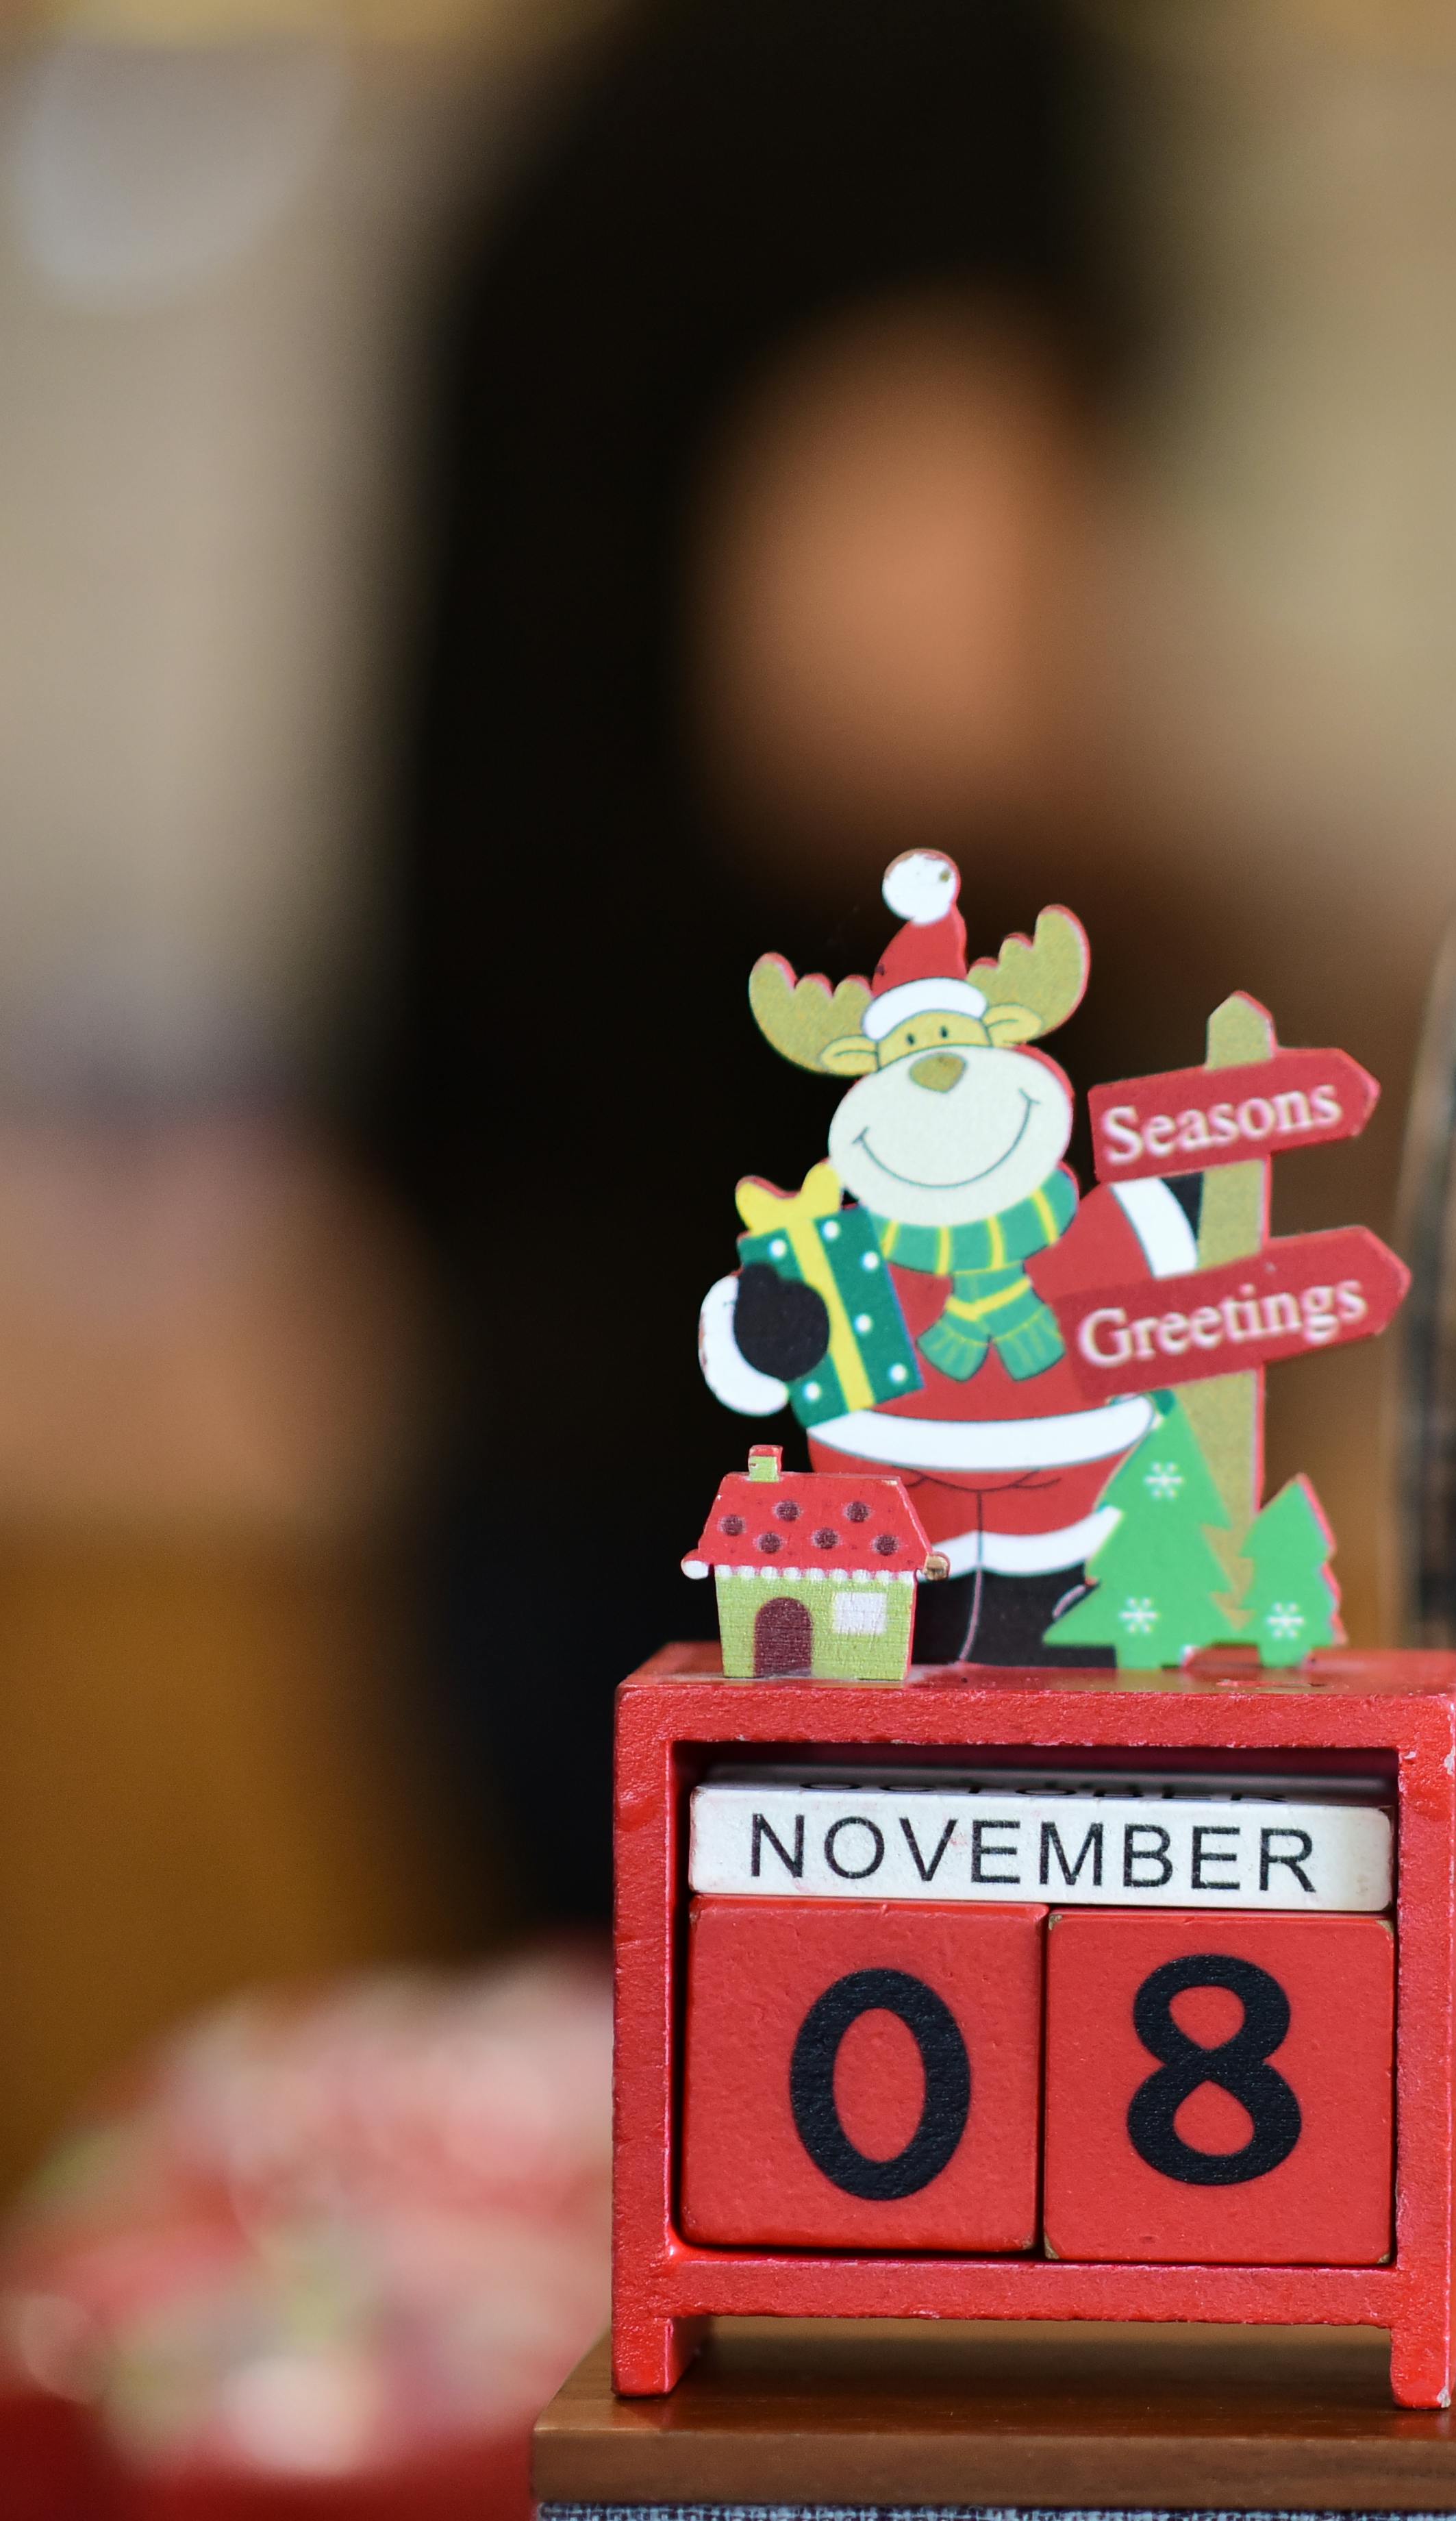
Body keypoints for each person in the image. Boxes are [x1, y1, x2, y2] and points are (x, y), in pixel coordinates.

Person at [341, 0, 1199, 1924]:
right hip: (877, 1415)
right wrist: (1304, 930)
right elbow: (905, 700)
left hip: (546, 1367)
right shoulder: (928, 54)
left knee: (634, 2133)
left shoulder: (625, 92)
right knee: (939, 2153)